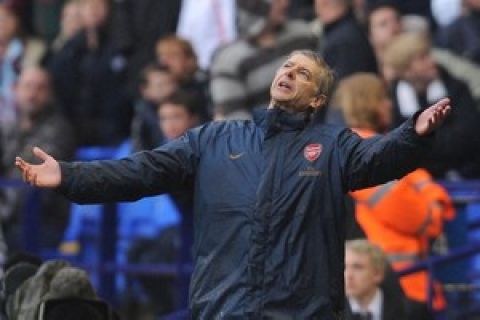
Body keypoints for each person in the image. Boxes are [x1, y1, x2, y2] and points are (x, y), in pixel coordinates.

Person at [15, 50, 451, 319]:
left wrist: (415, 132)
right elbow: (141, 170)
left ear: (317, 100)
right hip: (222, 310)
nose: (290, 73)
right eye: (287, 66)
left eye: (303, 73)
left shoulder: (332, 143)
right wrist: (70, 175)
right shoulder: (215, 139)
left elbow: (379, 159)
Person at [335, 72, 454, 315]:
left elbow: (422, 184)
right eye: (383, 98)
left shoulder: (373, 146)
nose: (390, 104)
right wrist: (433, 205)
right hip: (398, 287)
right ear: (368, 103)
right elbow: (420, 217)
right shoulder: (364, 152)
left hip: (398, 284)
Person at [384, 32, 480, 179]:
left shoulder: (456, 88)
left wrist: (421, 142)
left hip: (464, 173)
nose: (432, 61)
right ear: (406, 70)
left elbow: (467, 138)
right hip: (416, 180)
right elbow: (396, 147)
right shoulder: (393, 98)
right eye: (422, 58)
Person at [0, 67, 75, 253]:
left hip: (41, 222)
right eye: (28, 87)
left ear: (50, 94)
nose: (32, 94)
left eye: (40, 88)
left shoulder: (59, 130)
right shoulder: (9, 129)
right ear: (15, 89)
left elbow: (31, 180)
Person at [344, 239, 408, 320]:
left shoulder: (411, 312)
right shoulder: (328, 313)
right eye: (344, 267)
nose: (348, 275)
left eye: (357, 267)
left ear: (378, 274)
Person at [130, 63, 178, 152]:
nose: (168, 89)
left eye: (170, 83)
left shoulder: (187, 107)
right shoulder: (142, 120)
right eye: (160, 85)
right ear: (145, 90)